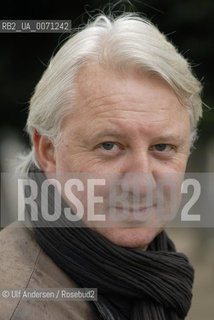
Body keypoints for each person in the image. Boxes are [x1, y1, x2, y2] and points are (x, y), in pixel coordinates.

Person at [0, 13, 202, 320]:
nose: (141, 183)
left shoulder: (151, 276)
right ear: (48, 151)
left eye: (163, 147)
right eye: (109, 146)